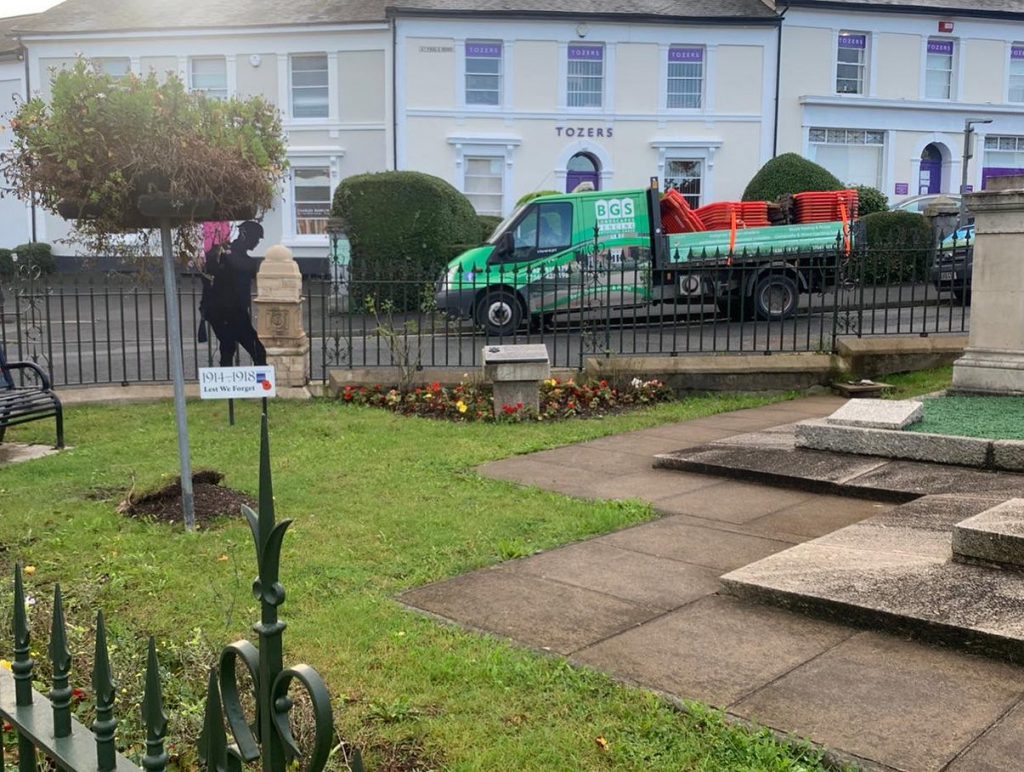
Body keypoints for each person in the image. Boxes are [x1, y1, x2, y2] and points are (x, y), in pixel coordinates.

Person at [204, 220, 267, 367]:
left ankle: (227, 386)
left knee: (228, 348)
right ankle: (262, 387)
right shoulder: (228, 255)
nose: (257, 242)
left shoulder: (232, 255)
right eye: (256, 238)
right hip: (228, 311)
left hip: (229, 311)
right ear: (245, 236)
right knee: (257, 351)